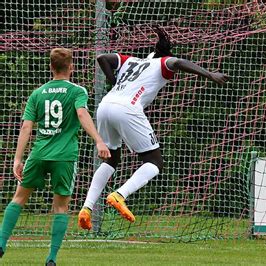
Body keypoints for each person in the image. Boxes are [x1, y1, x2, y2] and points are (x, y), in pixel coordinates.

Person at [78, 28, 229, 229]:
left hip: (106, 105)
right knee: (154, 161)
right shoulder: (161, 63)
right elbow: (176, 63)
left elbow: (102, 58)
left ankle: (87, 208)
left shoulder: (131, 61)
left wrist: (114, 83)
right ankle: (119, 195)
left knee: (111, 158)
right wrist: (209, 74)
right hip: (128, 108)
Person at [0, 48, 111, 266]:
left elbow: (26, 127)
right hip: (64, 156)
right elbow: (81, 113)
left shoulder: (37, 93)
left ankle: (2, 243)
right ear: (71, 67)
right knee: (60, 207)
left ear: (50, 67)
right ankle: (51, 259)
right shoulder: (77, 91)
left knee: (19, 198)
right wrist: (98, 140)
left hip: (38, 154)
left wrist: (17, 159)